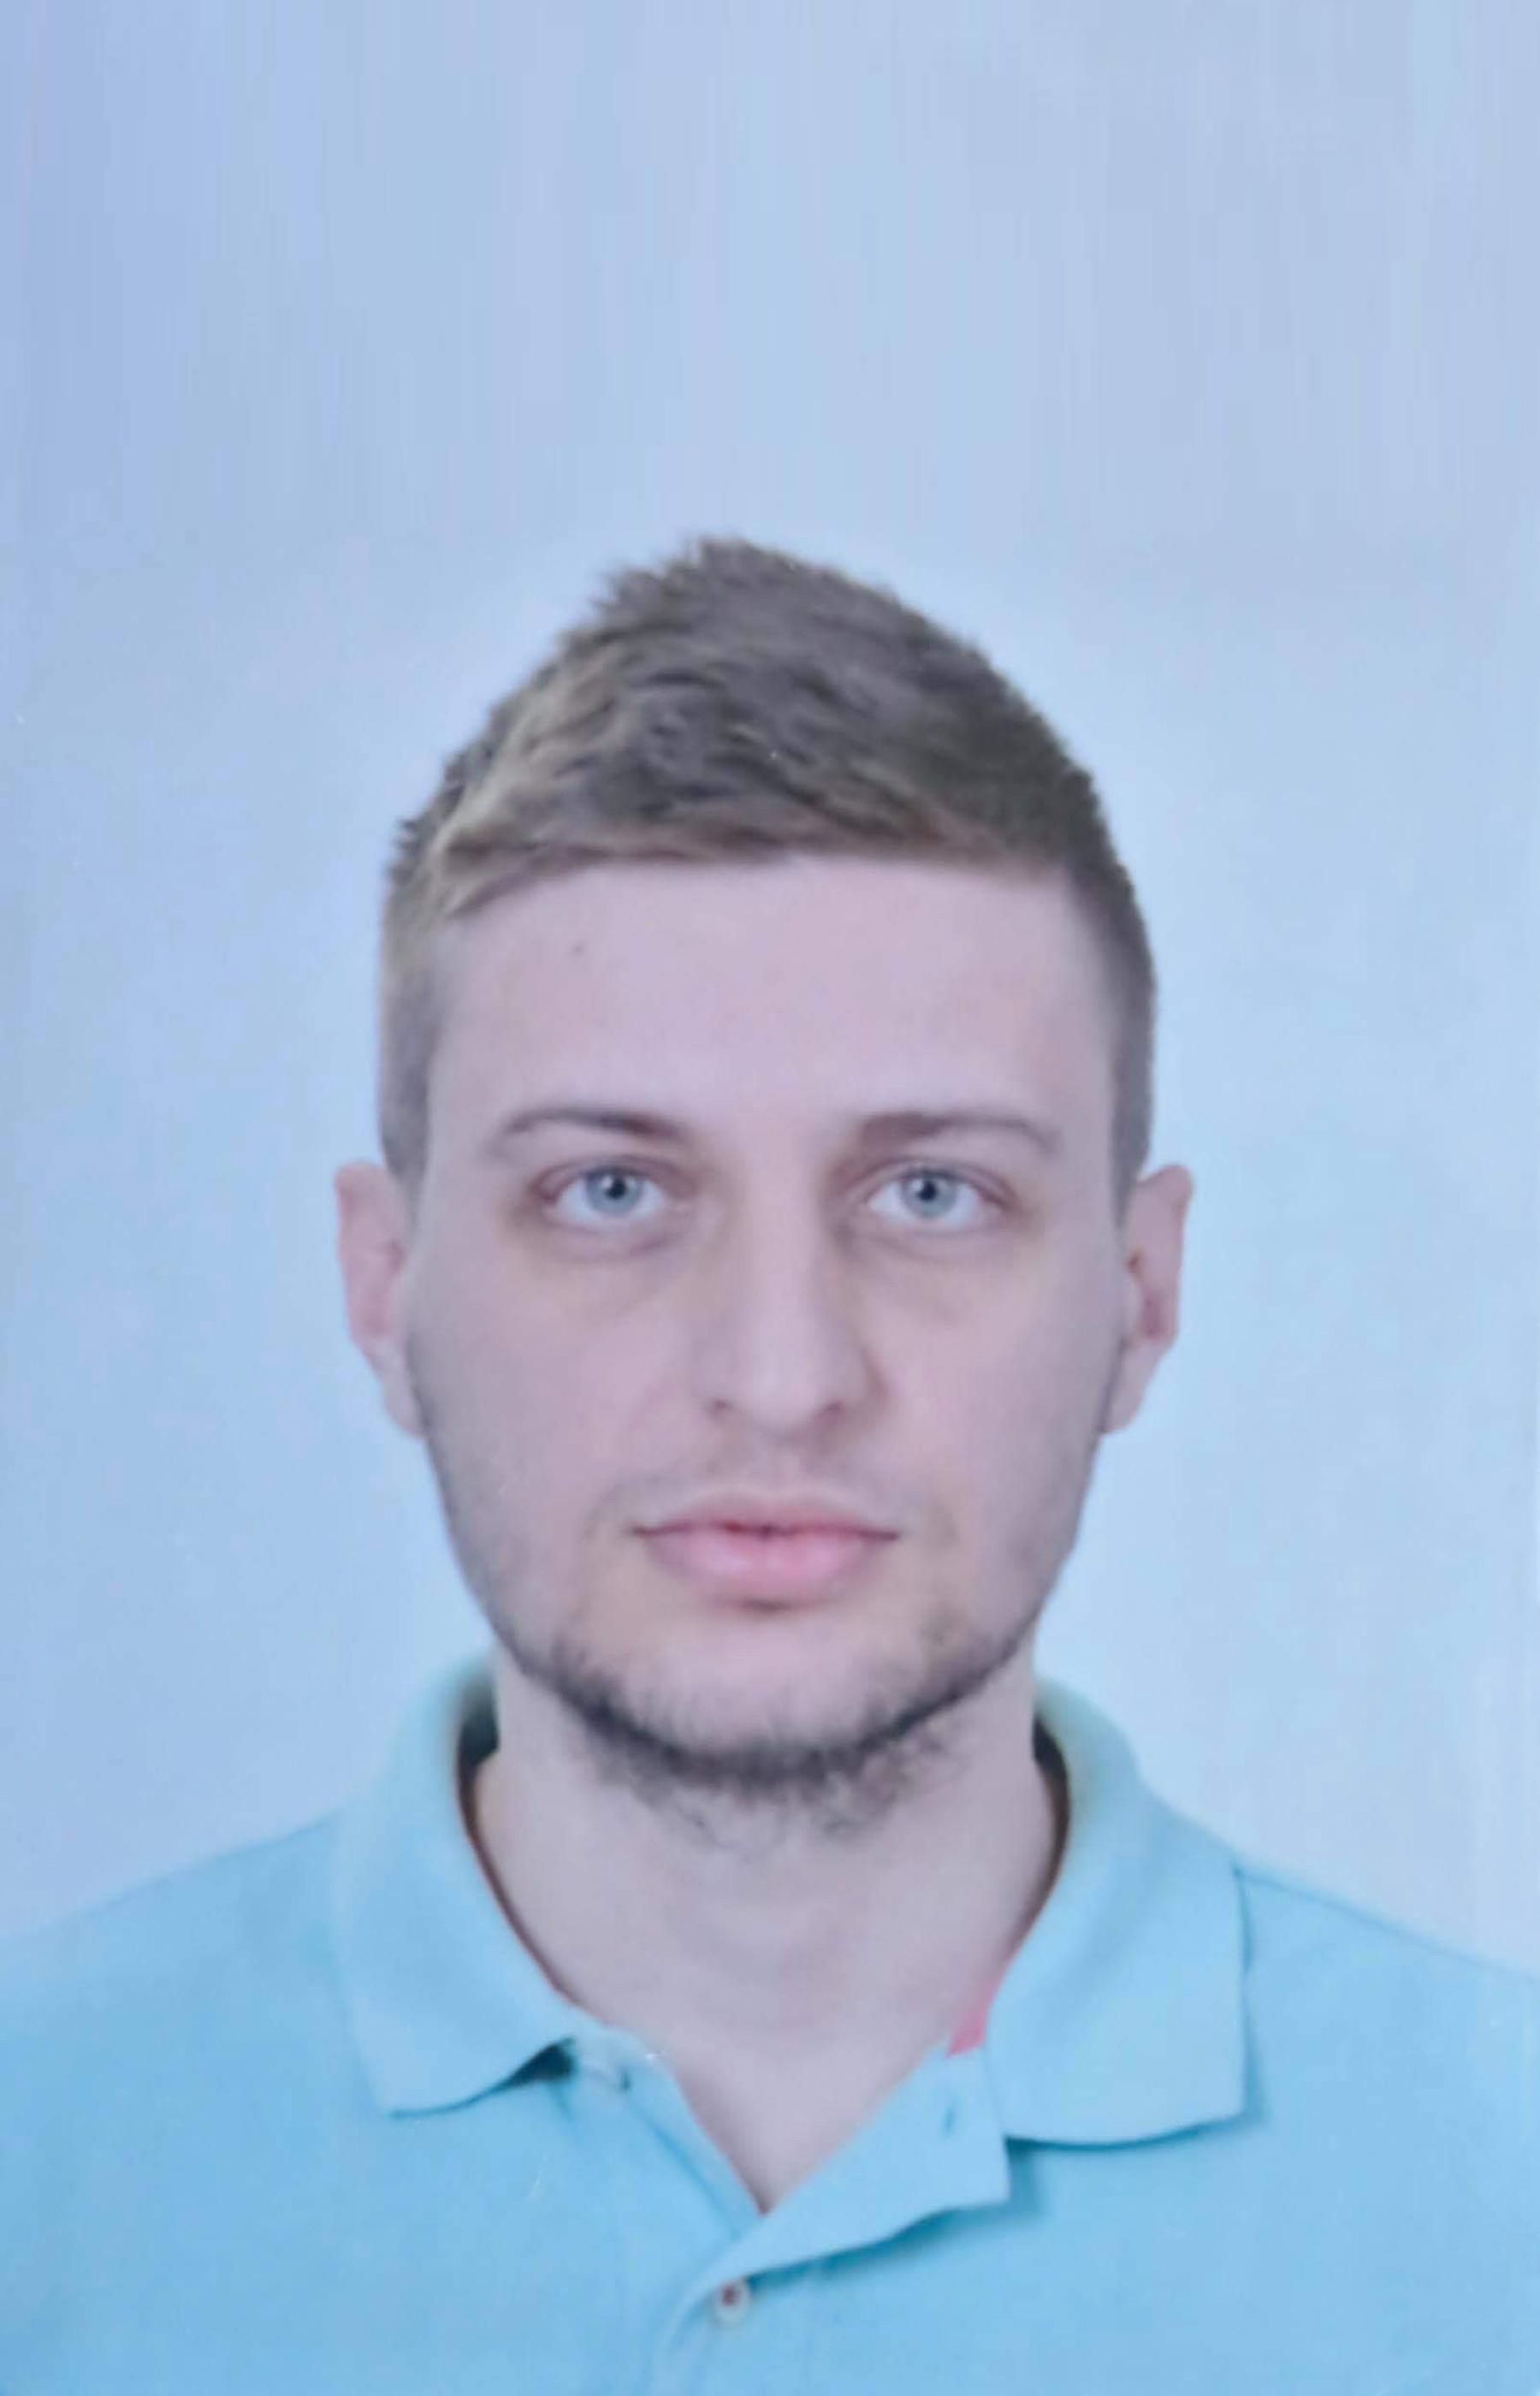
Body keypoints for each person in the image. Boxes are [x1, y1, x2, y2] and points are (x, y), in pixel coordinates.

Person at [3, 540, 1536, 2393]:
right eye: (611, 1190)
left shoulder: (1497, 2198)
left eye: (931, 1192)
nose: (783, 1379)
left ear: (1141, 1296)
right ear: (385, 1285)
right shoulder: (42, 2155)